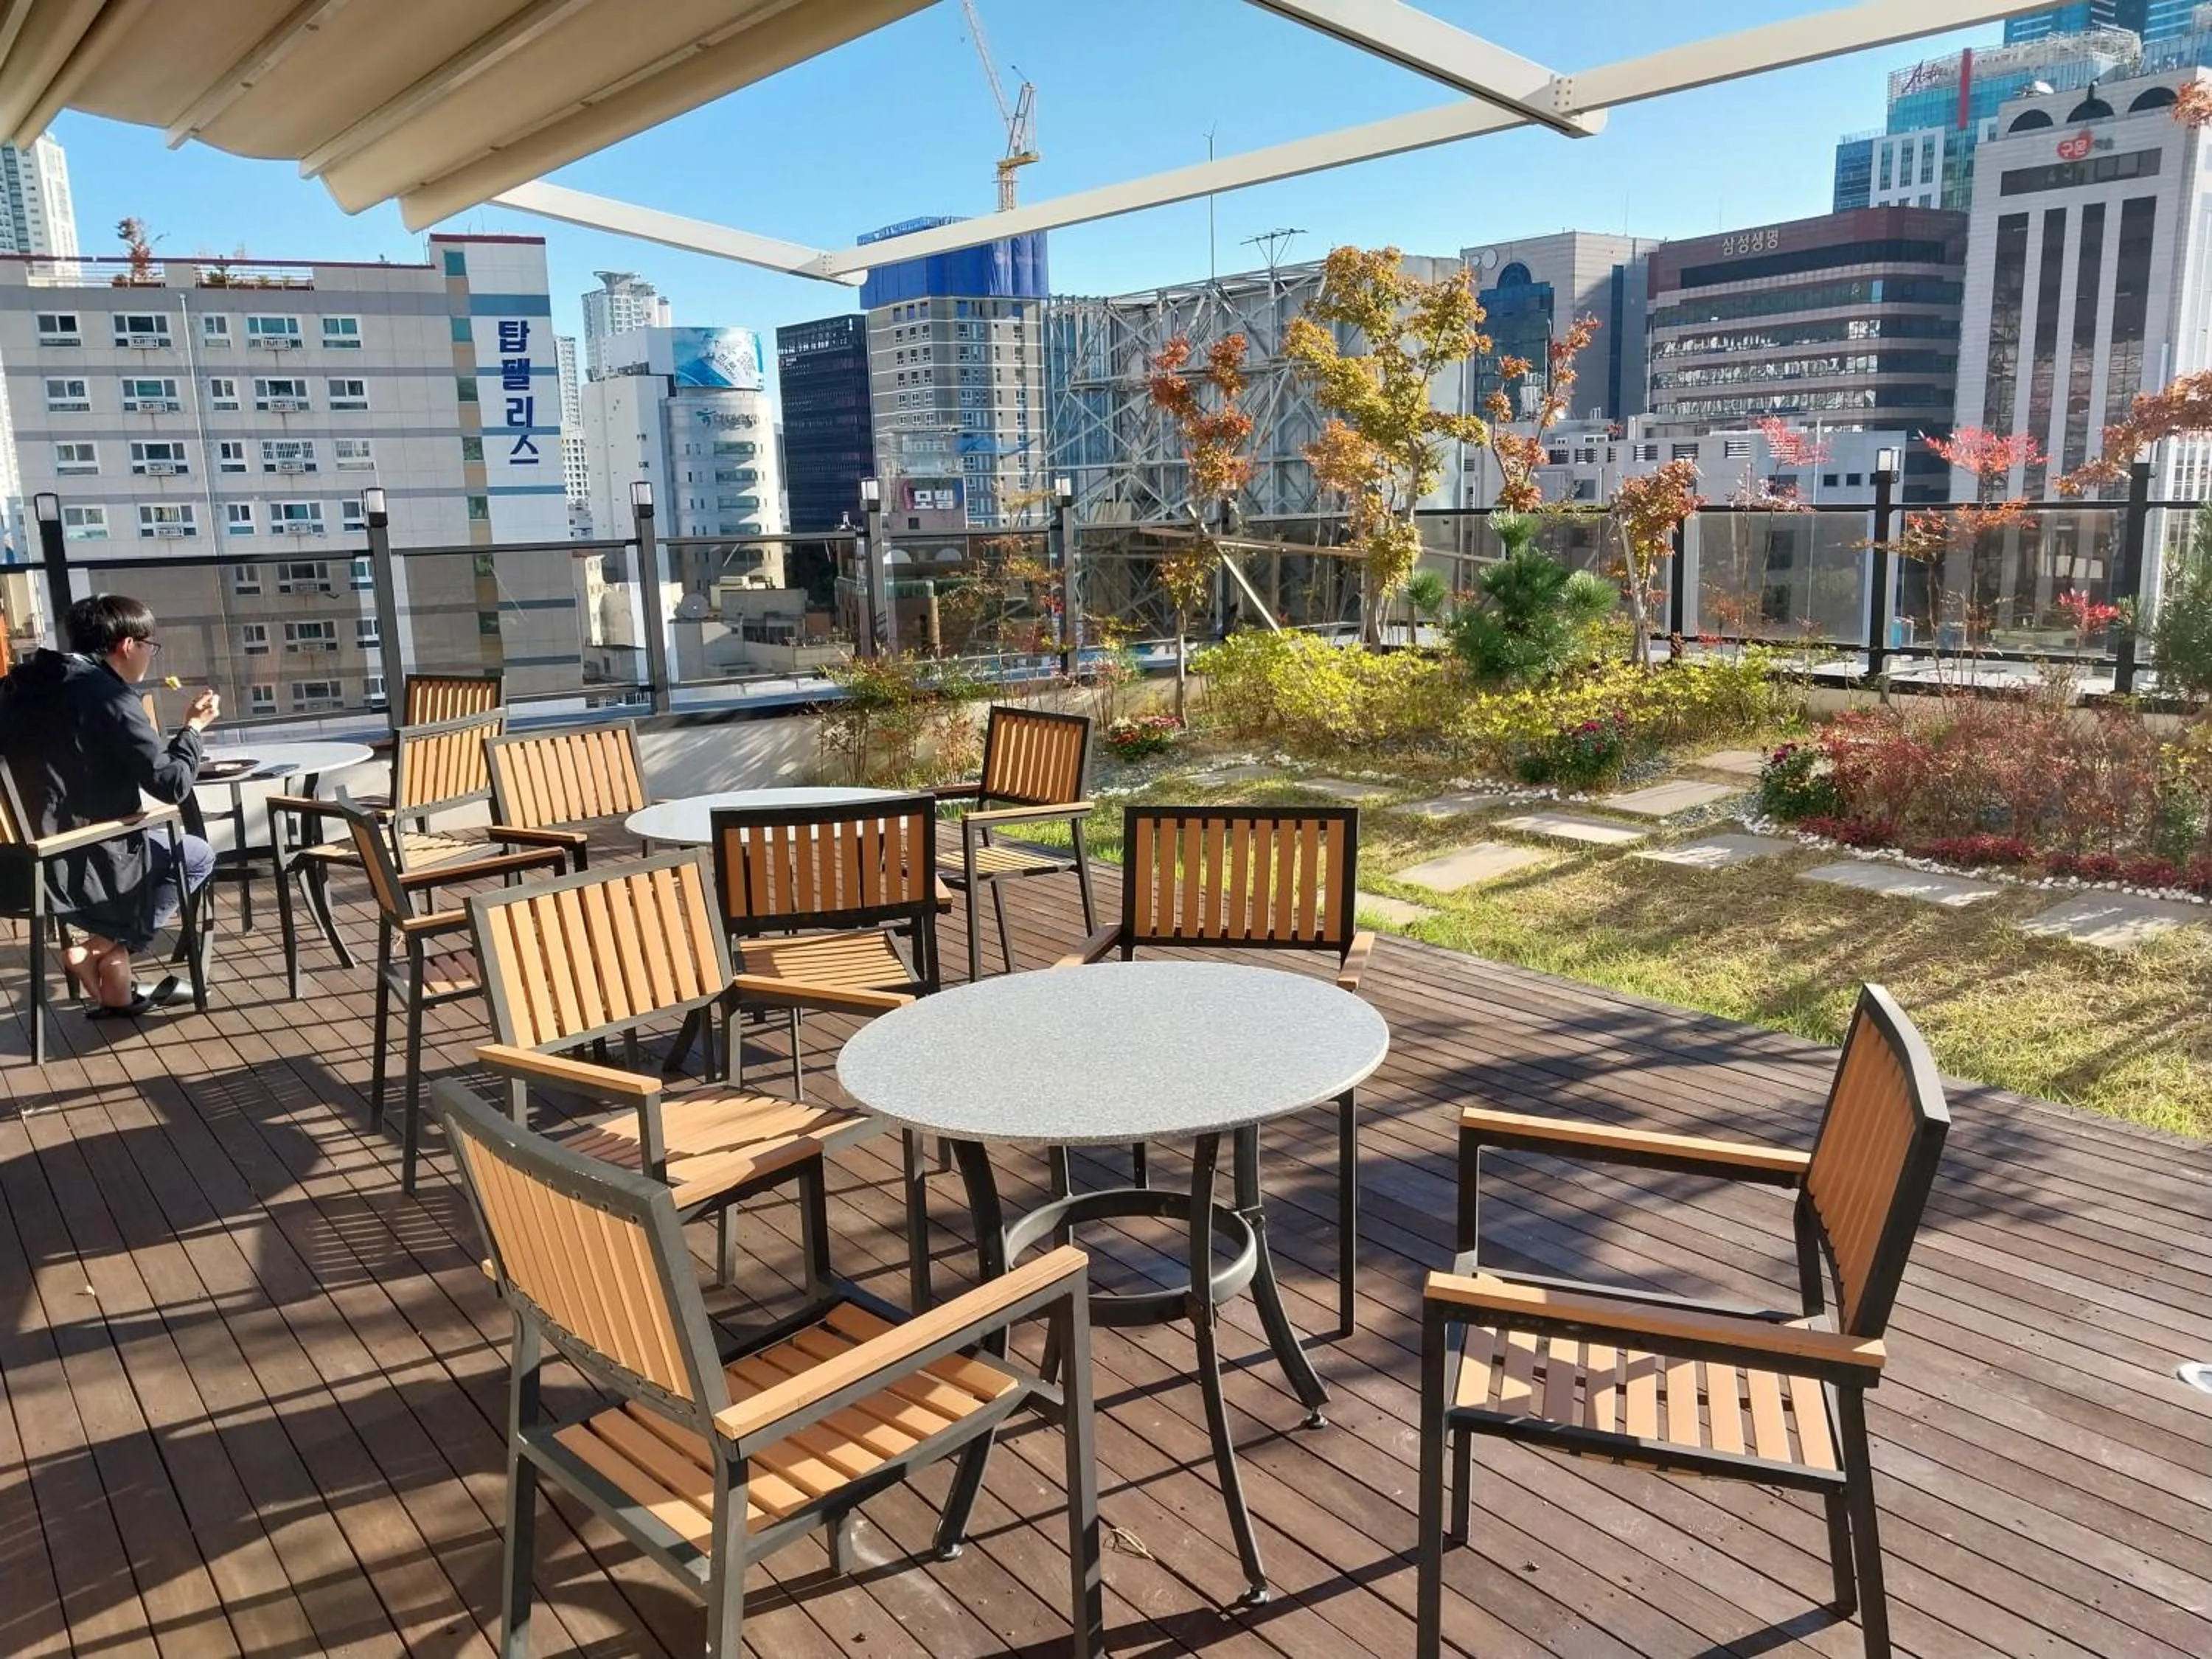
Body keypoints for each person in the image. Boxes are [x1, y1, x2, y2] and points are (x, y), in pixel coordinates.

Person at [0, 594, 220, 1015]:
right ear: (126, 645)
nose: (150, 658)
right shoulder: (109, 697)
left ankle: (116, 975)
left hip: (15, 867)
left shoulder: (18, 686)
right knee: (195, 855)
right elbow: (171, 784)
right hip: (76, 867)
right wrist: (193, 728)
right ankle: (104, 949)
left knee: (156, 846)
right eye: (149, 647)